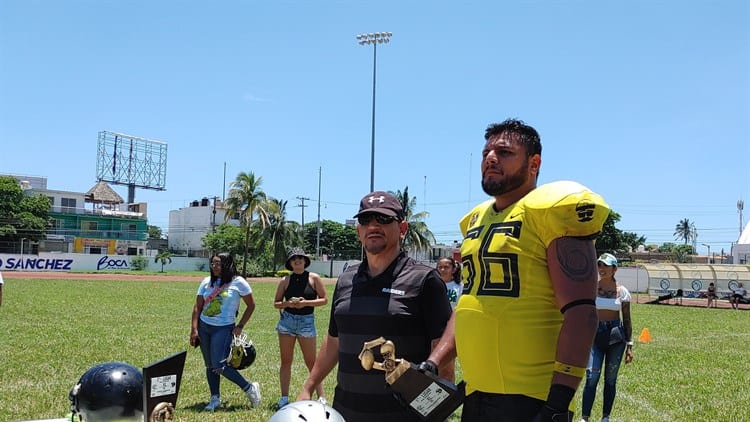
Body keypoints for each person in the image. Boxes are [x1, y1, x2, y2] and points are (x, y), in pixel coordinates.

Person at [424, 118, 610, 421]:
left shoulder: (550, 209)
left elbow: (581, 312)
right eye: (486, 153)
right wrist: (433, 362)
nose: (490, 159)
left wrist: (558, 404)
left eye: (504, 152)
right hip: (475, 391)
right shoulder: (476, 220)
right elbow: (469, 303)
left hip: (531, 398)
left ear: (533, 163)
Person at [297, 191, 453, 422]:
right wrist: (308, 386)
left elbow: (444, 358)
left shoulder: (425, 281)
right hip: (346, 412)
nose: (373, 226)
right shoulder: (346, 280)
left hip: (401, 416)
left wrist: (436, 412)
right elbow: (334, 342)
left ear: (402, 228)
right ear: (358, 231)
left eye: (383, 219)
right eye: (365, 220)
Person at [189, 252, 261, 411]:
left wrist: (240, 325)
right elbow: (197, 307)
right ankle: (215, 398)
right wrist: (194, 330)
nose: (215, 267)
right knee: (209, 366)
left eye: (219, 264)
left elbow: (251, 305)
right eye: (213, 263)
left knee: (219, 365)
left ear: (227, 265)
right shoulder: (207, 282)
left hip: (223, 328)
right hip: (204, 327)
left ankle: (249, 388)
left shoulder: (238, 282)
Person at [580, 253, 634, 422]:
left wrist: (630, 345)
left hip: (616, 336)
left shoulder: (622, 291)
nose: (602, 269)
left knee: (610, 380)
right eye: (600, 265)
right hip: (595, 335)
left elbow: (627, 319)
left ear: (614, 269)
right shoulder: (590, 288)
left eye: (606, 266)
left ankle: (605, 417)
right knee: (592, 377)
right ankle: (585, 417)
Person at [274, 247, 328, 409]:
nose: (297, 260)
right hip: (287, 322)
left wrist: (306, 303)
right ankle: (284, 397)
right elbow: (276, 303)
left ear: (305, 261)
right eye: (293, 258)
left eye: (300, 258)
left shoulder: (314, 278)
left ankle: (321, 397)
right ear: (290, 263)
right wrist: (288, 303)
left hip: (306, 321)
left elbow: (324, 299)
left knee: (312, 362)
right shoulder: (285, 280)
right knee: (286, 361)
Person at [436, 256, 462, 383]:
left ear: (453, 269)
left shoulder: (460, 287)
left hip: (451, 332)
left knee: (447, 369)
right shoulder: (433, 286)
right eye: (440, 267)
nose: (442, 269)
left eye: (446, 267)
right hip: (435, 330)